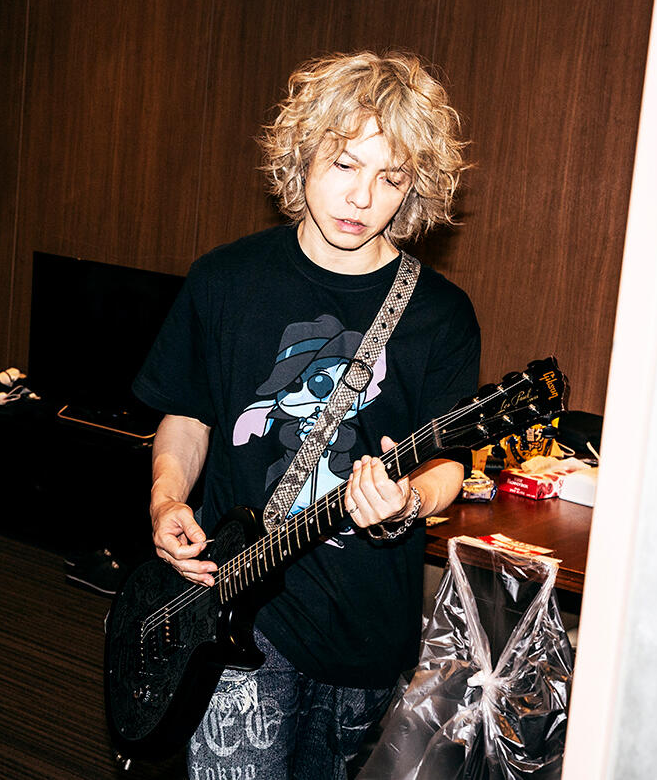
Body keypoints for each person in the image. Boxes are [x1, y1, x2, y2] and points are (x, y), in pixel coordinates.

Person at [132, 50, 481, 779]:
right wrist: (167, 498)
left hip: (366, 625)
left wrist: (408, 501)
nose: (362, 197)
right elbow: (188, 417)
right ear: (302, 157)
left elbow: (449, 460)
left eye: (391, 178)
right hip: (236, 610)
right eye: (344, 164)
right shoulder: (225, 280)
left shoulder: (440, 315)